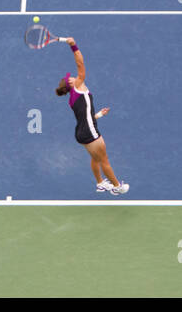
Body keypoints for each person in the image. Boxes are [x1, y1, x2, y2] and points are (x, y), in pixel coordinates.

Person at [54, 37, 128, 196]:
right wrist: (73, 45)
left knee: (95, 158)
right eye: (70, 78)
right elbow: (80, 65)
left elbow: (84, 115)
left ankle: (100, 183)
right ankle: (117, 187)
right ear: (72, 84)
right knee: (104, 160)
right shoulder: (79, 86)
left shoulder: (72, 99)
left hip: (81, 133)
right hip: (90, 132)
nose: (73, 76)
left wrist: (99, 115)